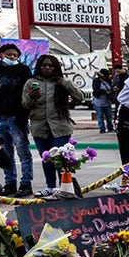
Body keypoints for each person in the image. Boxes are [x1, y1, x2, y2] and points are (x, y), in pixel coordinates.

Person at [22, 54, 84, 197]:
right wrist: (31, 96)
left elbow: (79, 97)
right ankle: (50, 187)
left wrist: (65, 83)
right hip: (40, 128)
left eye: (51, 65)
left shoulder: (61, 82)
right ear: (39, 67)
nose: (47, 68)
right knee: (47, 158)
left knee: (61, 160)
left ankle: (66, 187)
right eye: (44, 65)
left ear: (56, 67)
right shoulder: (31, 83)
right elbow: (25, 105)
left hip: (60, 127)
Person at [0, 43, 33, 196]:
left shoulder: (23, 70)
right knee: (5, 152)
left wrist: (23, 116)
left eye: (15, 55)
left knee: (23, 151)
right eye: (9, 54)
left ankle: (26, 183)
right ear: (1, 54)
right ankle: (10, 182)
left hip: (16, 116)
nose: (13, 57)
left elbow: (27, 94)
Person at [92, 68, 114, 133]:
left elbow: (111, 87)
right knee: (100, 115)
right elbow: (95, 89)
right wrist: (104, 91)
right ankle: (102, 128)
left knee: (109, 116)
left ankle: (110, 128)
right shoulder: (96, 80)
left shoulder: (108, 80)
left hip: (107, 101)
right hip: (98, 101)